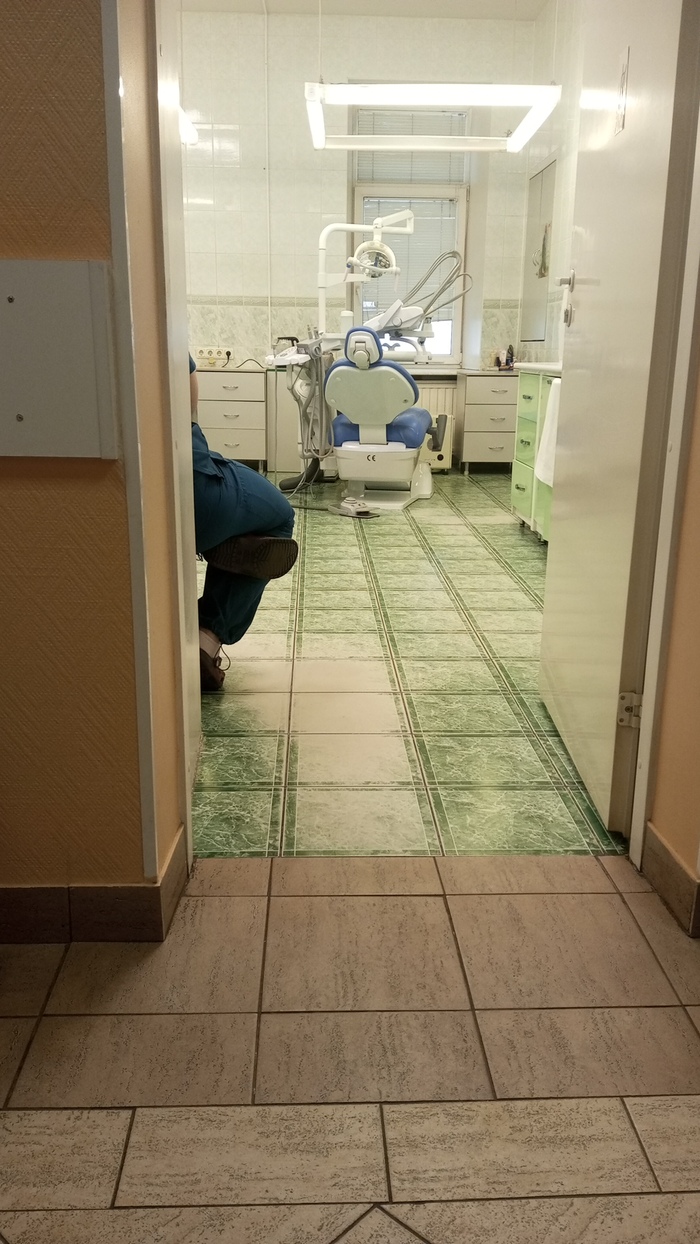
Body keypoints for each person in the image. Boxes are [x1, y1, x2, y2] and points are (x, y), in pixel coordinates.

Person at [189, 355, 297, 692]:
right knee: (278, 516)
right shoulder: (158, 332)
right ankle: (206, 638)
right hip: (193, 486)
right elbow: (186, 395)